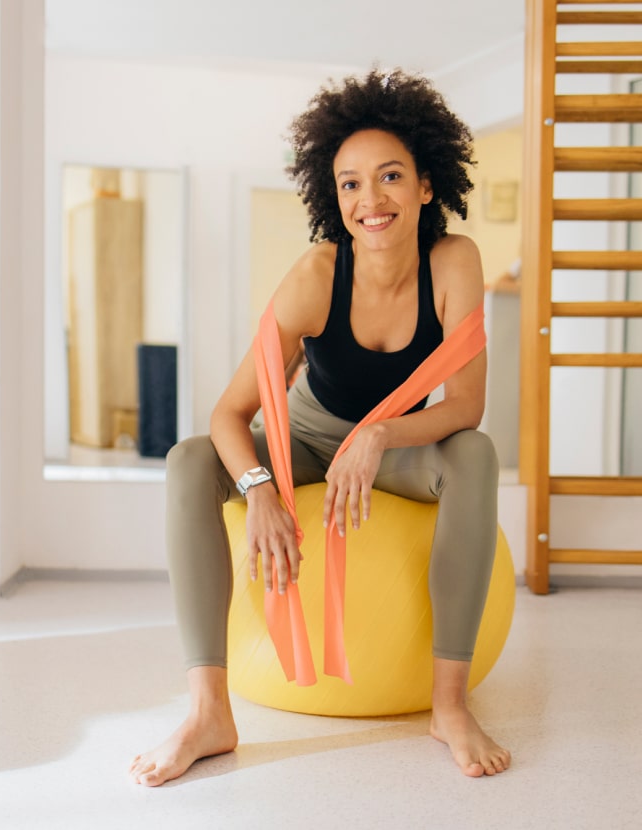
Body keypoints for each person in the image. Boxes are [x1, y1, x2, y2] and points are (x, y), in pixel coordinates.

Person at [129, 69, 508, 786]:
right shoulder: (315, 275)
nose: (372, 200)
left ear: (428, 185)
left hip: (395, 450)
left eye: (391, 176)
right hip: (303, 441)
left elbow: (465, 407)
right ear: (333, 197)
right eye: (351, 184)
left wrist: (379, 436)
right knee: (186, 461)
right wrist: (260, 487)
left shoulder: (454, 263)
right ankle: (209, 712)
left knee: (477, 456)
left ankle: (449, 706)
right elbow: (227, 413)